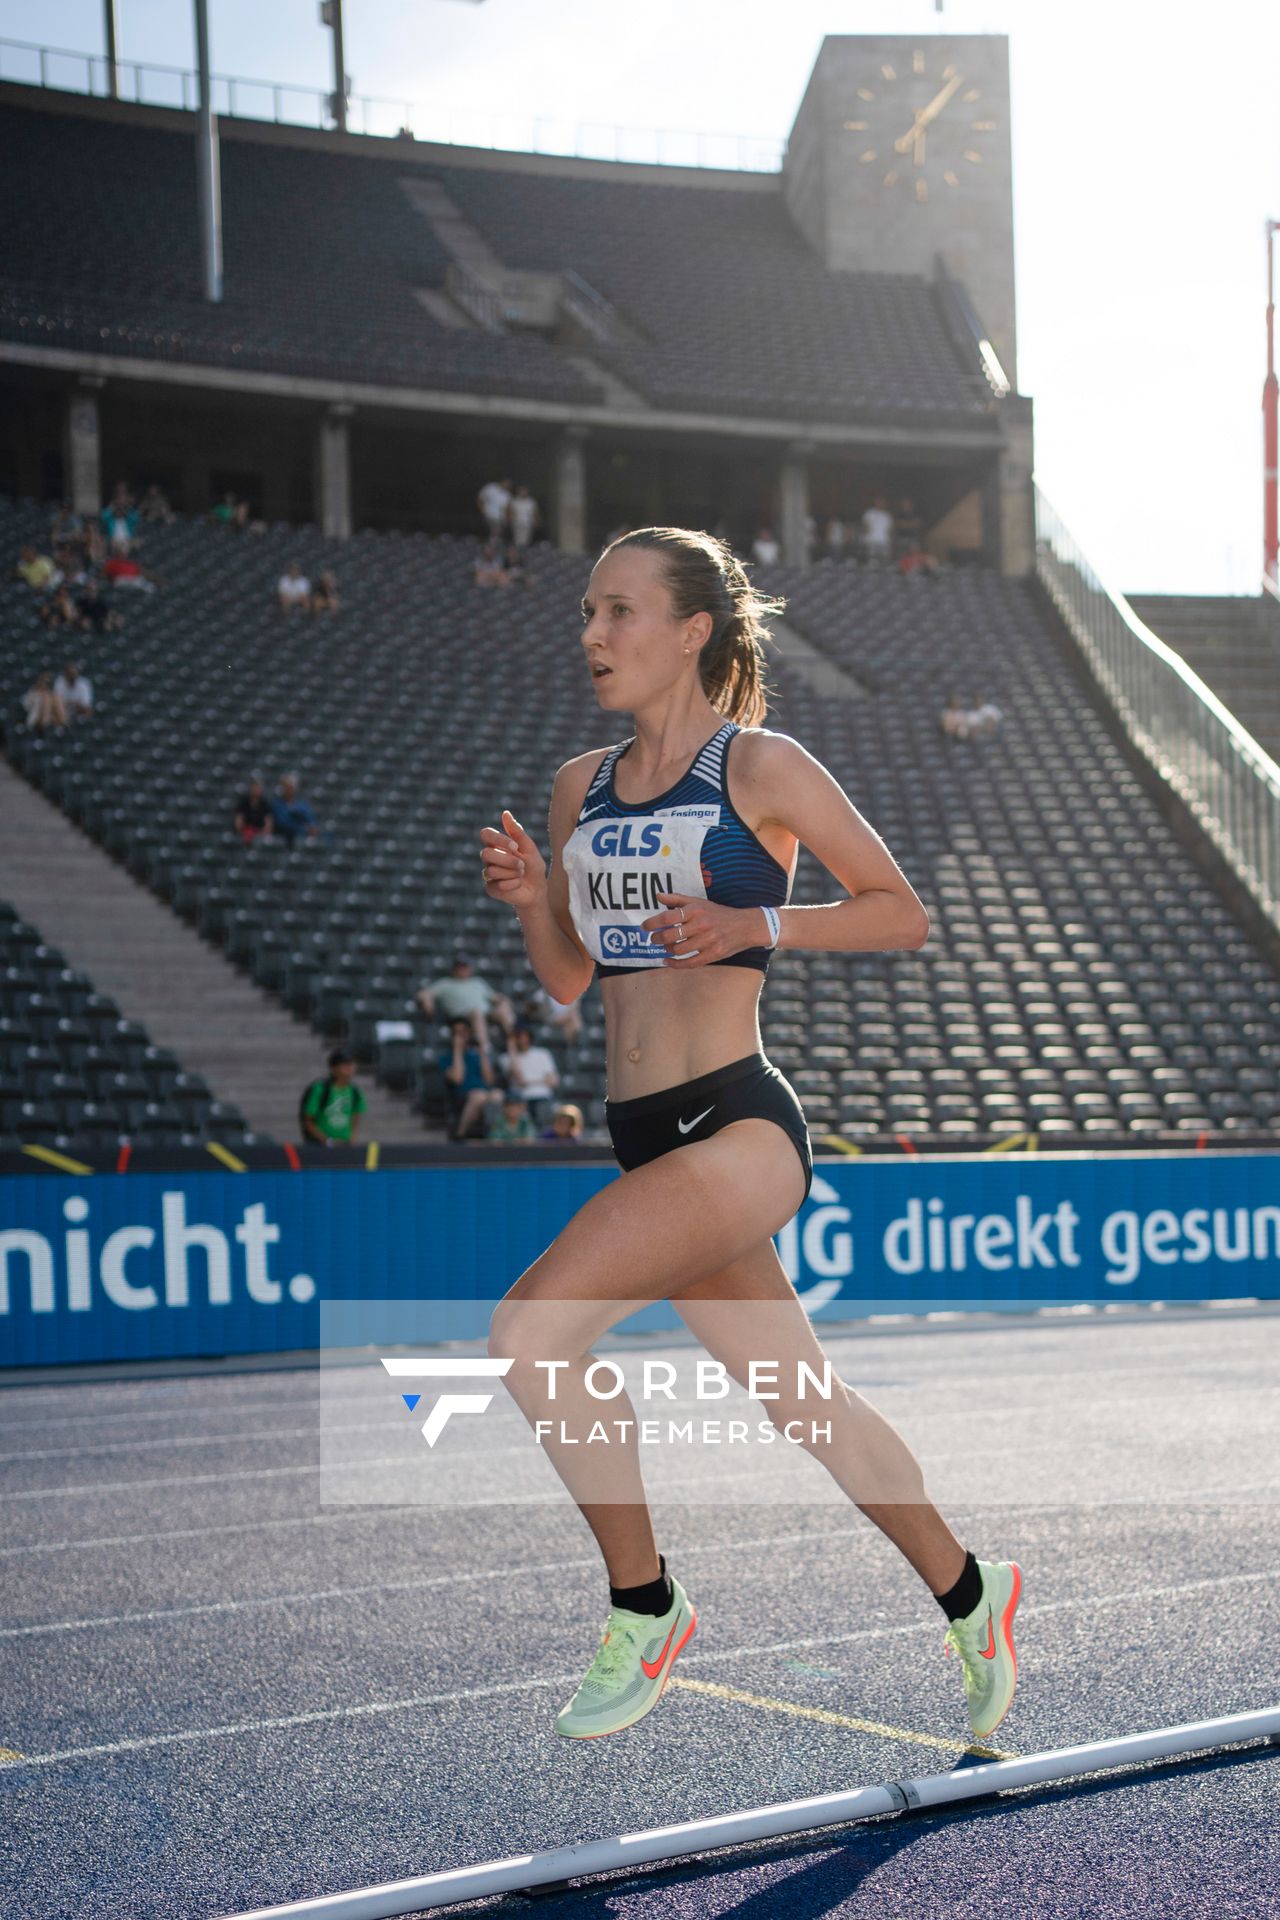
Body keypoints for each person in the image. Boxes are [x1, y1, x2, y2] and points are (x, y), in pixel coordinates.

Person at [479, 524, 1020, 1744]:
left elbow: (899, 915)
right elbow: (571, 981)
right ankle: (971, 1592)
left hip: (735, 1126)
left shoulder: (757, 768)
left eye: (620, 612)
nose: (594, 635)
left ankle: (645, 1603)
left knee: (529, 1328)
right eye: (585, 612)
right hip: (642, 1134)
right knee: (802, 1400)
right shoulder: (579, 786)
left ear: (690, 633)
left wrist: (753, 923)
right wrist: (530, 905)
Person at [417, 954, 515, 1054]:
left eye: (465, 967)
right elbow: (424, 993)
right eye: (460, 967)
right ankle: (485, 1047)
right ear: (454, 969)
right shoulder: (445, 983)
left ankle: (514, 1039)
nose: (463, 969)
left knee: (504, 1007)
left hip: (487, 1013)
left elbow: (493, 996)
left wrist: (504, 1001)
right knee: (477, 1013)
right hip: (463, 1016)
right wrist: (427, 1002)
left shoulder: (477, 982)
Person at [438, 1016, 495, 1140]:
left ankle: (495, 1136)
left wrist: (482, 1051)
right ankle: (460, 1133)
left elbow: (489, 1079)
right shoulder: (446, 1058)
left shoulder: (475, 1055)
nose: (462, 1036)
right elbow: (458, 1079)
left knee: (498, 1095)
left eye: (464, 1032)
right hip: (462, 1097)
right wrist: (457, 1050)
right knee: (479, 1096)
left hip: (483, 1094)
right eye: (457, 1033)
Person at [300, 1050, 367, 1145]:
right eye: (345, 1065)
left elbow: (355, 1118)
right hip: (320, 1146)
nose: (349, 1068)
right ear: (333, 1069)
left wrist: (352, 1139)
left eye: (351, 1064)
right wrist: (328, 1141)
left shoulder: (355, 1092)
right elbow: (308, 1120)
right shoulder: (321, 1089)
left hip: (345, 1146)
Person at [502, 1023, 560, 1128]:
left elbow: (553, 1081)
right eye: (518, 1037)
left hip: (543, 1097)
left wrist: (528, 1082)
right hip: (521, 1099)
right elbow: (519, 1078)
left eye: (525, 1036)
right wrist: (511, 1049)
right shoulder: (506, 1058)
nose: (522, 1040)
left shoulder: (543, 1054)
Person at [271, 772, 318, 844]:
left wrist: (311, 827)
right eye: (287, 787)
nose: (290, 790)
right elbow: (282, 823)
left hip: (302, 839)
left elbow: (311, 822)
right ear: (283, 789)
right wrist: (303, 827)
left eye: (292, 787)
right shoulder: (276, 804)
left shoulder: (303, 804)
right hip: (282, 839)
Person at [234, 774, 274, 843]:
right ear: (250, 788)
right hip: (245, 834)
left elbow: (268, 824)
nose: (256, 789)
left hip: (261, 835)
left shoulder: (265, 804)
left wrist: (260, 834)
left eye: (258, 787)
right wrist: (246, 833)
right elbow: (239, 823)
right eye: (254, 787)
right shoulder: (243, 804)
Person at [477, 476, 513, 544]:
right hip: (488, 514)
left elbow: (507, 509)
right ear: (502, 482)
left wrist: (508, 519)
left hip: (500, 517)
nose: (507, 485)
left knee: (497, 532)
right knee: (492, 531)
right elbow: (480, 498)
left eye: (509, 484)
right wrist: (481, 510)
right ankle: (488, 545)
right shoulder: (490, 487)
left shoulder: (507, 495)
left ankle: (492, 546)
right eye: (506, 483)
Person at [861, 496, 894, 564]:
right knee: (872, 561)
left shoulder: (887, 516)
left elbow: (890, 530)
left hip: (884, 542)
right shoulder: (869, 513)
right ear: (875, 502)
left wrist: (890, 543)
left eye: (882, 502)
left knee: (884, 562)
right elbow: (864, 526)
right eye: (878, 501)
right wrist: (865, 539)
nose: (880, 503)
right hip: (871, 541)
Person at [509, 484, 540, 550]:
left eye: (525, 491)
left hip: (528, 522)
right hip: (517, 522)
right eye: (522, 491)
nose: (523, 493)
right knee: (518, 539)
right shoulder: (515, 501)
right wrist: (512, 519)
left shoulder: (531, 501)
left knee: (527, 539)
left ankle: (525, 550)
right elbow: (511, 512)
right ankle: (518, 550)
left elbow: (535, 512)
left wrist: (536, 521)